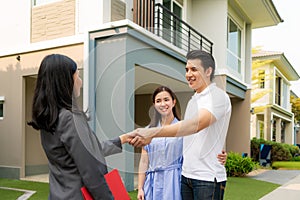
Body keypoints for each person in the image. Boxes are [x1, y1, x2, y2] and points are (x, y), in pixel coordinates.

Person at [130, 50, 232, 200]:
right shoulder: (193, 101)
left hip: (207, 178)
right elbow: (193, 135)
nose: (188, 74)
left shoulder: (218, 96)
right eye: (187, 70)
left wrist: (152, 133)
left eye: (194, 69)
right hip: (186, 176)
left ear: (208, 71)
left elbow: (195, 125)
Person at [28, 54, 132, 200]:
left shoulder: (49, 119)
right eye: (78, 76)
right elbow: (91, 172)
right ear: (65, 81)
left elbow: (82, 153)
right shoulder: (70, 118)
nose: (80, 82)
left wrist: (121, 140)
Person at [137, 86, 228, 200]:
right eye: (158, 101)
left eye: (166, 99)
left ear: (173, 102)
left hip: (175, 181)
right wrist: (140, 187)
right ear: (154, 105)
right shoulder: (148, 131)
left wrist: (219, 154)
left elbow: (200, 145)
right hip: (152, 182)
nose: (162, 104)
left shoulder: (184, 129)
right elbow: (144, 161)